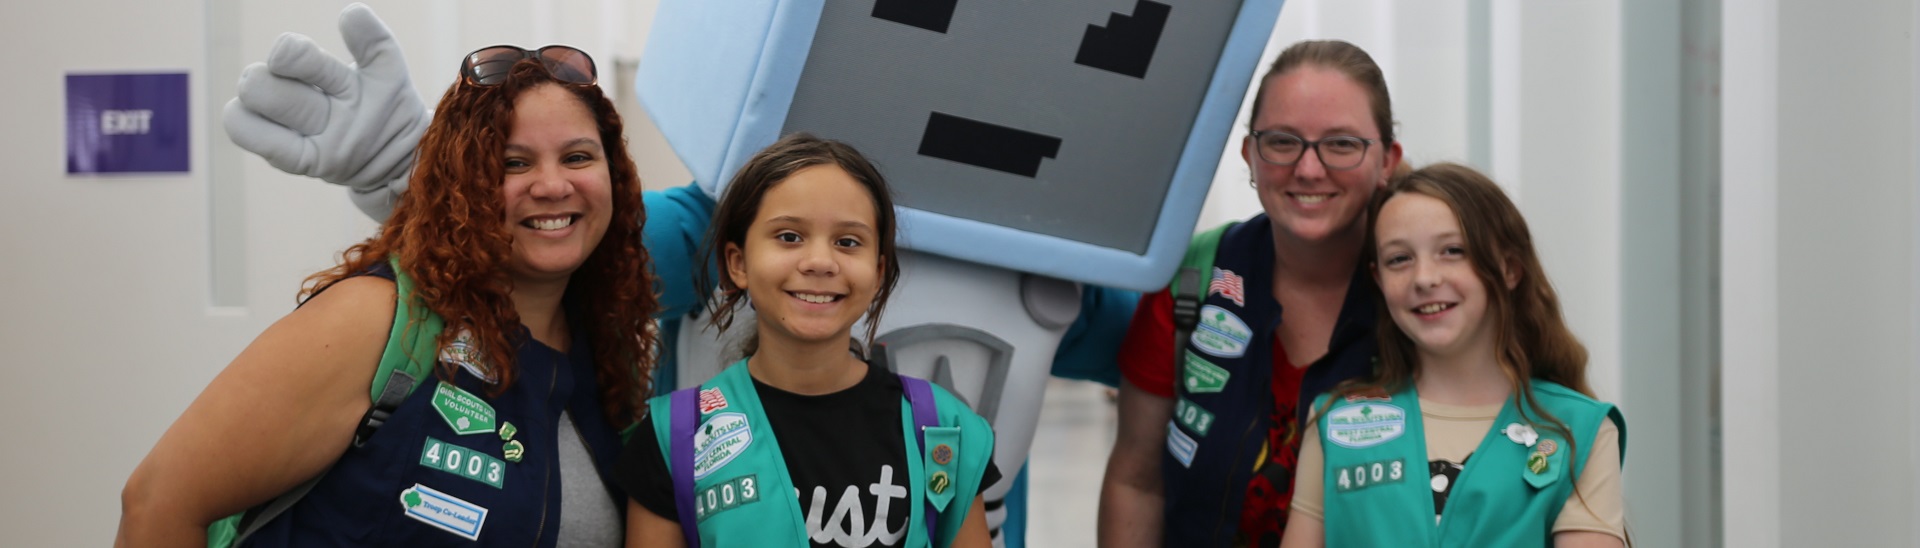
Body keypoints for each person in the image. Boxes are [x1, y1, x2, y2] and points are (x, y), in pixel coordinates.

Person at [117, 45, 657, 546]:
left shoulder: (609, 360)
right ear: (463, 184)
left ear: (615, 176)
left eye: (578, 157)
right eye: (514, 163)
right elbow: (157, 503)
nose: (552, 185)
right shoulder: (379, 320)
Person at [615, 133, 998, 548]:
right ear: (737, 263)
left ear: (879, 271)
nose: (820, 262)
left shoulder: (943, 429)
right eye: (789, 237)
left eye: (848, 242)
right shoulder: (676, 437)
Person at [1099, 40, 1403, 547]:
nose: (1308, 169)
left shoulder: (1421, 297)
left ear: (1387, 161)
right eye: (1283, 141)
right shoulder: (1192, 281)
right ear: (1249, 154)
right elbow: (1137, 480)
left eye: (1342, 144)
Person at [1280, 163, 1627, 547]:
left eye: (1452, 251)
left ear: (1510, 269)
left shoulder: (1580, 430)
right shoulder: (1334, 422)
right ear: (1378, 280)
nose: (1425, 278)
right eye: (1400, 259)